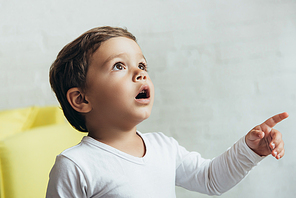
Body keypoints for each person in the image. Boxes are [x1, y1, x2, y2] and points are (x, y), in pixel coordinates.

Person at [46, 26, 288, 198]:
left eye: (141, 65)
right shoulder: (76, 166)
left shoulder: (164, 147)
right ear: (81, 99)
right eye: (118, 65)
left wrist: (250, 150)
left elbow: (211, 179)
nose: (140, 73)